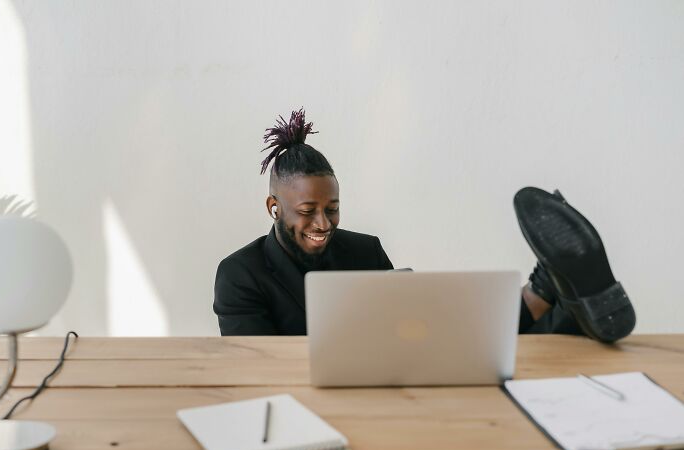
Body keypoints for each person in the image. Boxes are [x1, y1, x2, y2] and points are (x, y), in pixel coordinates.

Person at [213, 110, 636, 342]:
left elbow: (408, 329)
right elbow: (258, 367)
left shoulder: (364, 251)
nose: (323, 223)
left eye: (333, 208)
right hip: (306, 404)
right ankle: (553, 294)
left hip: (389, 381)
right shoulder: (239, 275)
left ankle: (551, 289)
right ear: (274, 206)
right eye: (307, 211)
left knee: (460, 332)